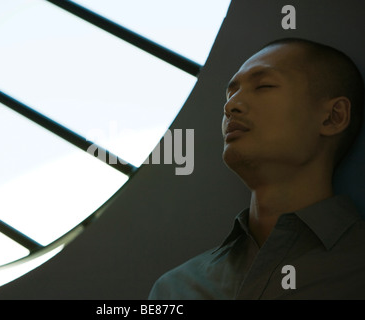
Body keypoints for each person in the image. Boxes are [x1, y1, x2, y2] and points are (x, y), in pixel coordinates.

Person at [148, 38, 365, 299]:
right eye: (230, 94)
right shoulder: (176, 289)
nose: (230, 106)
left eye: (264, 86)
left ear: (333, 117)